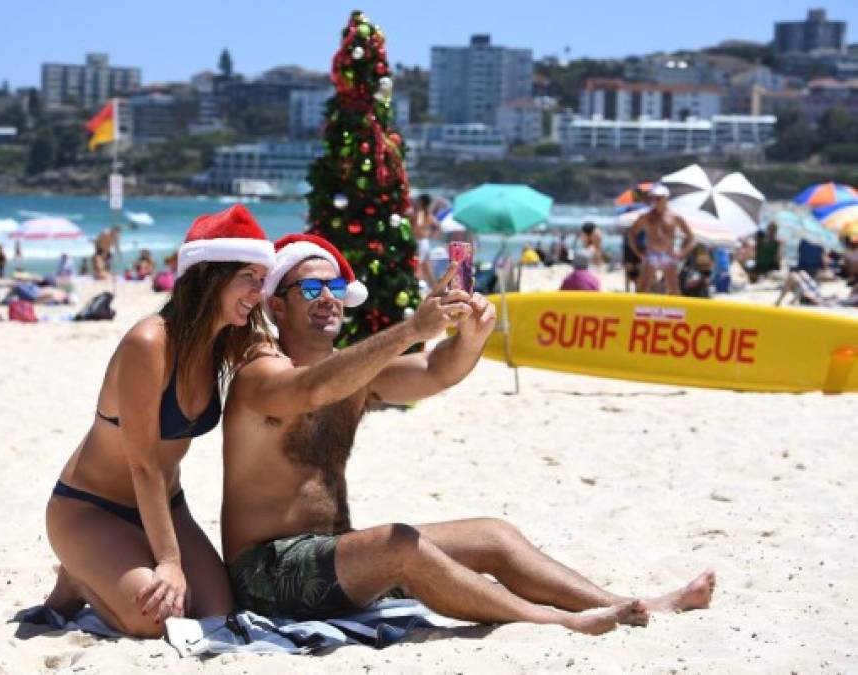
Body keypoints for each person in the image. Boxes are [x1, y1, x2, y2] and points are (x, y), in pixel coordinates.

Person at [221, 234, 715, 635]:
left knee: (492, 536)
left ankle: (632, 602)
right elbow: (311, 389)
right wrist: (412, 327)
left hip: (336, 556)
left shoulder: (354, 377)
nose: (326, 298)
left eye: (332, 289)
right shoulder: (261, 374)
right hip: (266, 572)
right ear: (277, 309)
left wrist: (470, 338)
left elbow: (435, 371)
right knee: (400, 544)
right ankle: (564, 622)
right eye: (310, 290)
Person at [42, 205, 277, 638]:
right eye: (249, 277)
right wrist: (169, 562)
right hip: (90, 508)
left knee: (216, 612)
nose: (258, 292)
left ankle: (105, 570)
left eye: (263, 281)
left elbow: (288, 374)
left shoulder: (224, 341)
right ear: (209, 274)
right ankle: (78, 575)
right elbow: (143, 463)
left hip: (165, 506)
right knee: (160, 621)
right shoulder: (148, 343)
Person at [627, 184, 694, 295]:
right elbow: (631, 234)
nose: (655, 201)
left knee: (673, 290)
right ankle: (641, 310)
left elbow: (691, 238)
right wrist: (638, 252)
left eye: (658, 198)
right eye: (653, 198)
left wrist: (681, 253)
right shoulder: (646, 216)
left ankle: (674, 311)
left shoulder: (675, 217)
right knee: (642, 288)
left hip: (668, 254)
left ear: (665, 199)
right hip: (651, 253)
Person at [411, 194, 438, 290]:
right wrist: (430, 235)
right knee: (426, 267)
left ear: (421, 202)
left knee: (417, 265)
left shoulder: (421, 213)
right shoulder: (427, 213)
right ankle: (435, 288)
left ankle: (416, 286)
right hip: (425, 242)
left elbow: (418, 226)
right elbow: (437, 226)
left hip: (419, 242)